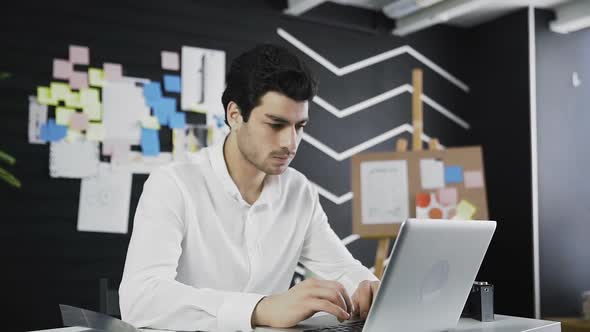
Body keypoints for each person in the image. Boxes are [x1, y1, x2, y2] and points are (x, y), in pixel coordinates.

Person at [119, 44, 380, 331]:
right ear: (234, 115)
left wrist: (373, 289)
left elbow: (343, 269)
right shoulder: (173, 184)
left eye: (300, 126)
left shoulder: (299, 192)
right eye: (275, 124)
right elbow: (140, 298)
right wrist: (260, 308)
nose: (290, 143)